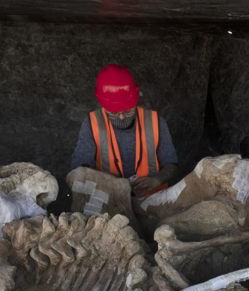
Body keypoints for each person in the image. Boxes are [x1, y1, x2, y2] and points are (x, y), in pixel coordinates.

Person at [69, 64, 180, 197]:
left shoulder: (156, 122)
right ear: (103, 104)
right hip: (108, 196)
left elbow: (171, 164)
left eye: (127, 110)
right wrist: (114, 185)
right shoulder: (91, 124)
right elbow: (80, 169)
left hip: (152, 198)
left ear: (135, 100)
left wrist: (157, 180)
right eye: (114, 112)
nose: (121, 117)